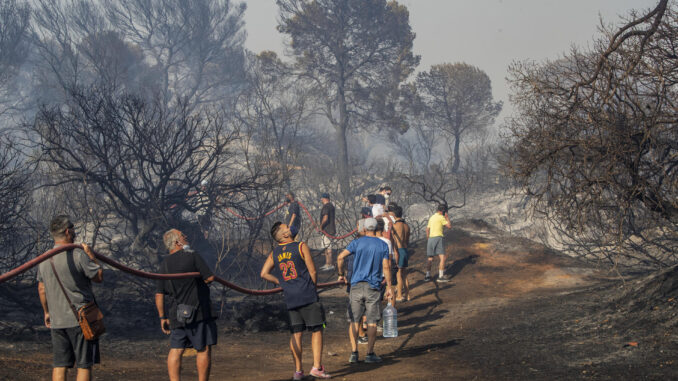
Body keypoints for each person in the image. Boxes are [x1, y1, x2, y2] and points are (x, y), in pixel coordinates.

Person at [260, 222, 331, 380]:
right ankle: (316, 367)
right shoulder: (300, 246)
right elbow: (312, 270)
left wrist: (282, 282)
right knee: (316, 330)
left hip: (290, 297)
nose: (290, 227)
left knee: (296, 333)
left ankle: (298, 371)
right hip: (307, 294)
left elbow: (264, 273)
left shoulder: (275, 253)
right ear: (285, 235)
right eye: (287, 227)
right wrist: (313, 289)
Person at [37, 215, 103, 381]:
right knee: (84, 365)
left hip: (58, 321)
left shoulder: (43, 259)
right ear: (68, 231)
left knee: (60, 364)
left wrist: (47, 312)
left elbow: (42, 288)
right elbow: (98, 276)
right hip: (81, 320)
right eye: (73, 228)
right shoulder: (78, 254)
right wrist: (90, 255)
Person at [155, 229, 216, 381]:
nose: (186, 236)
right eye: (183, 235)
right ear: (177, 242)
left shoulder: (165, 265)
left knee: (176, 350)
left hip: (177, 315)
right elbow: (209, 278)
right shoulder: (192, 256)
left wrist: (162, 317)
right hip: (198, 312)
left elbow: (159, 294)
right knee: (203, 348)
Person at [337, 218, 393, 364]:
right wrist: (389, 286)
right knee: (372, 322)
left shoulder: (357, 242)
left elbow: (340, 257)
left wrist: (341, 275)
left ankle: (354, 353)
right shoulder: (382, 244)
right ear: (375, 228)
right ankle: (369, 354)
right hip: (373, 287)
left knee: (354, 321)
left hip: (355, 286)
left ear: (364, 228)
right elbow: (386, 267)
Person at [425, 204, 453, 282]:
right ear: (443, 211)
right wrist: (447, 217)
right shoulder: (442, 218)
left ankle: (427, 276)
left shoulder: (432, 217)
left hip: (430, 239)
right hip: (438, 238)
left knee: (430, 258)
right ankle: (440, 276)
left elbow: (427, 229)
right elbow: (449, 226)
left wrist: (429, 239)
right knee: (442, 258)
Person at [390, 206, 411, 301]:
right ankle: (407, 295)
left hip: (399, 251)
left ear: (394, 215)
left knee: (398, 274)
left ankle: (399, 295)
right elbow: (407, 240)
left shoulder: (394, 226)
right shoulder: (407, 226)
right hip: (405, 250)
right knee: (404, 274)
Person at [319, 193, 336, 271]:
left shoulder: (326, 207)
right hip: (329, 230)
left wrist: (321, 227)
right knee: (326, 247)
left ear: (325, 198)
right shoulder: (331, 206)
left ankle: (330, 264)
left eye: (322, 198)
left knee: (328, 248)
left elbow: (325, 218)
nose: (321, 200)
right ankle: (327, 263)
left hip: (327, 230)